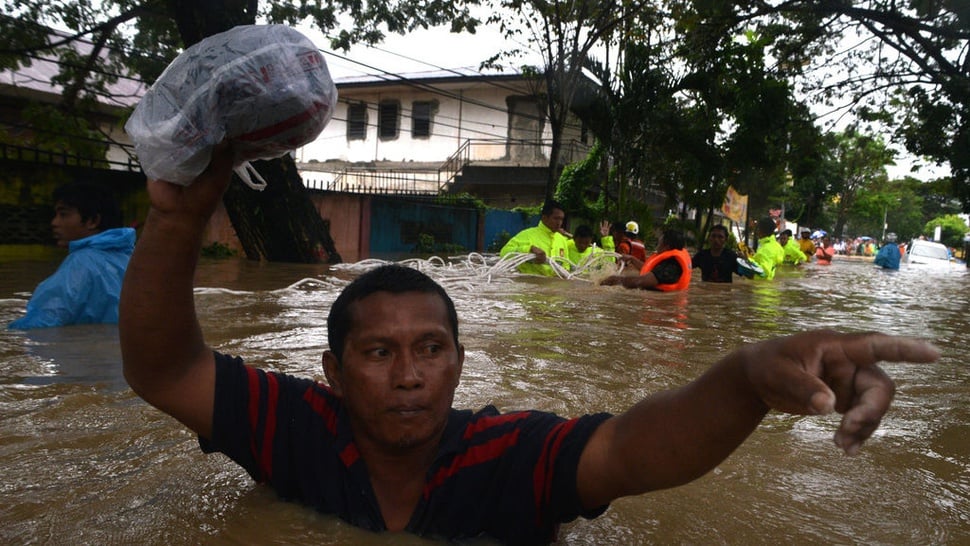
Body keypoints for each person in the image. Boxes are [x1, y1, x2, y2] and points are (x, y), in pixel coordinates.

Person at [119, 146, 940, 544]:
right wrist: (180, 215)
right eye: (378, 354)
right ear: (332, 371)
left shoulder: (508, 454)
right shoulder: (291, 425)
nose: (409, 376)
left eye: (431, 349)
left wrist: (745, 379)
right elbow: (164, 368)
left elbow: (630, 449)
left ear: (460, 363)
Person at [8, 182, 136, 329]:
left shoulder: (81, 263)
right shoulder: (133, 257)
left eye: (63, 214)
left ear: (92, 221)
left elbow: (43, 323)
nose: (54, 222)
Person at [600, 229, 691, 291]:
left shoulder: (670, 266)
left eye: (659, 241)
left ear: (666, 246)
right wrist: (632, 259)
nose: (657, 244)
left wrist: (616, 280)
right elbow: (650, 271)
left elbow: (641, 282)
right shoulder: (670, 262)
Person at [499, 200, 569, 276]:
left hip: (554, 285)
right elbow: (504, 253)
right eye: (556, 218)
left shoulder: (562, 240)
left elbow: (566, 265)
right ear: (544, 218)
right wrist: (529, 249)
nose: (559, 223)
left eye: (561, 219)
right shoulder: (527, 235)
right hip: (530, 283)